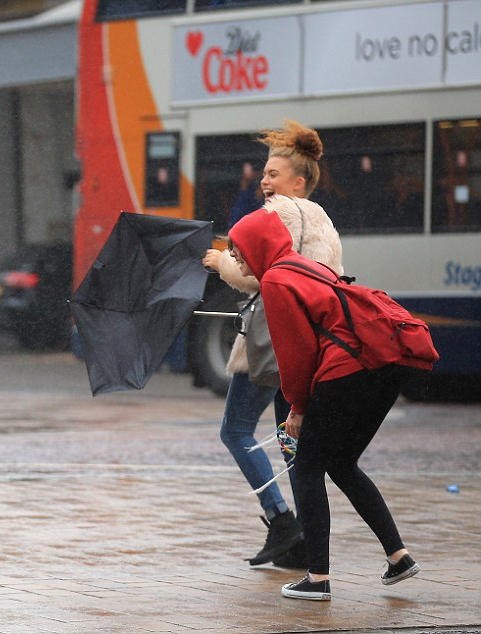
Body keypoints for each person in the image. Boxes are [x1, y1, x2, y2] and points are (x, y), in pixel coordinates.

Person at [226, 208, 421, 601]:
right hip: (381, 366)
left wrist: (296, 409)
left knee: (306, 467)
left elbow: (297, 354)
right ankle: (398, 557)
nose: (237, 259)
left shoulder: (277, 281)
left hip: (348, 370)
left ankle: (317, 578)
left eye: (239, 250)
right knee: (341, 463)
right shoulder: (301, 266)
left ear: (257, 245)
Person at [201, 120, 342, 569]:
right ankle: (303, 545)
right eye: (264, 174)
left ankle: (281, 520)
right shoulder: (325, 221)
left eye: (273, 175)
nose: (264, 181)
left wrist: (220, 260)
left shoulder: (277, 213)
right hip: (311, 345)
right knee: (291, 442)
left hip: (271, 342)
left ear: (297, 182)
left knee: (236, 430)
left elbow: (255, 274)